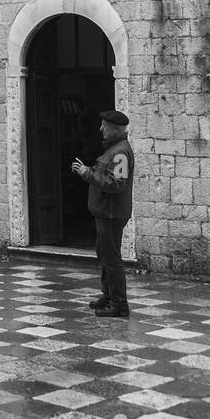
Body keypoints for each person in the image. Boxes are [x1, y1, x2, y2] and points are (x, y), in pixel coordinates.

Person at [71, 110, 134, 319]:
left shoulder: (121, 153)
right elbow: (108, 176)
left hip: (112, 213)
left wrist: (87, 174)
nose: (100, 129)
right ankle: (108, 296)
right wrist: (89, 170)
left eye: (104, 125)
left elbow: (117, 184)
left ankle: (119, 304)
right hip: (106, 212)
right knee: (104, 255)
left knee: (112, 259)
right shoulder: (114, 150)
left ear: (114, 129)